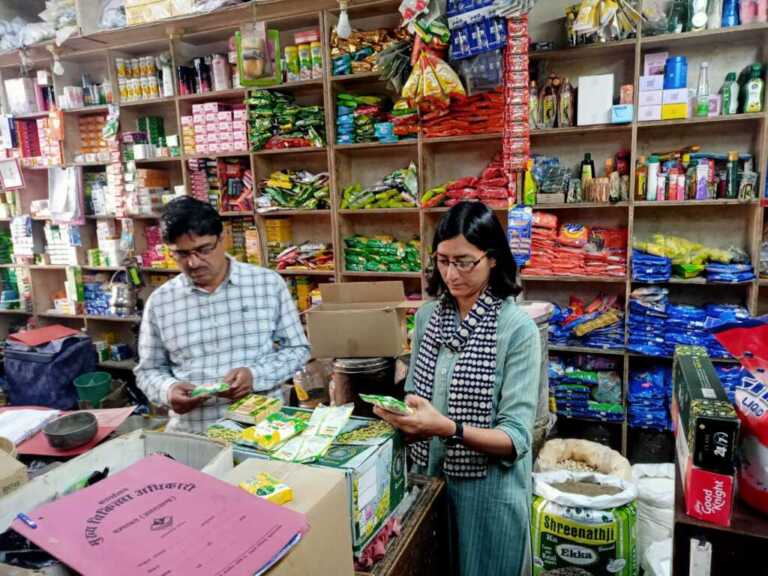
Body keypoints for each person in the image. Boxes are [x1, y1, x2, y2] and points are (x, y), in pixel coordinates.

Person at [373, 201, 541, 576]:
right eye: (443, 261)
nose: (451, 274)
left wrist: (448, 428)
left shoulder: (516, 330)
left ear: (492, 259)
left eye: (465, 262)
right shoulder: (428, 317)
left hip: (488, 495)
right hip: (429, 483)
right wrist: (400, 415)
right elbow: (416, 394)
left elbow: (515, 437)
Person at [135, 196, 310, 433]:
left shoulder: (267, 284)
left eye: (203, 249)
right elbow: (148, 370)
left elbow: (297, 350)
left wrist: (255, 375)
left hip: (262, 430)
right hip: (194, 432)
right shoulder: (160, 302)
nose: (193, 263)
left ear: (222, 238)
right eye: (181, 254)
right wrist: (168, 390)